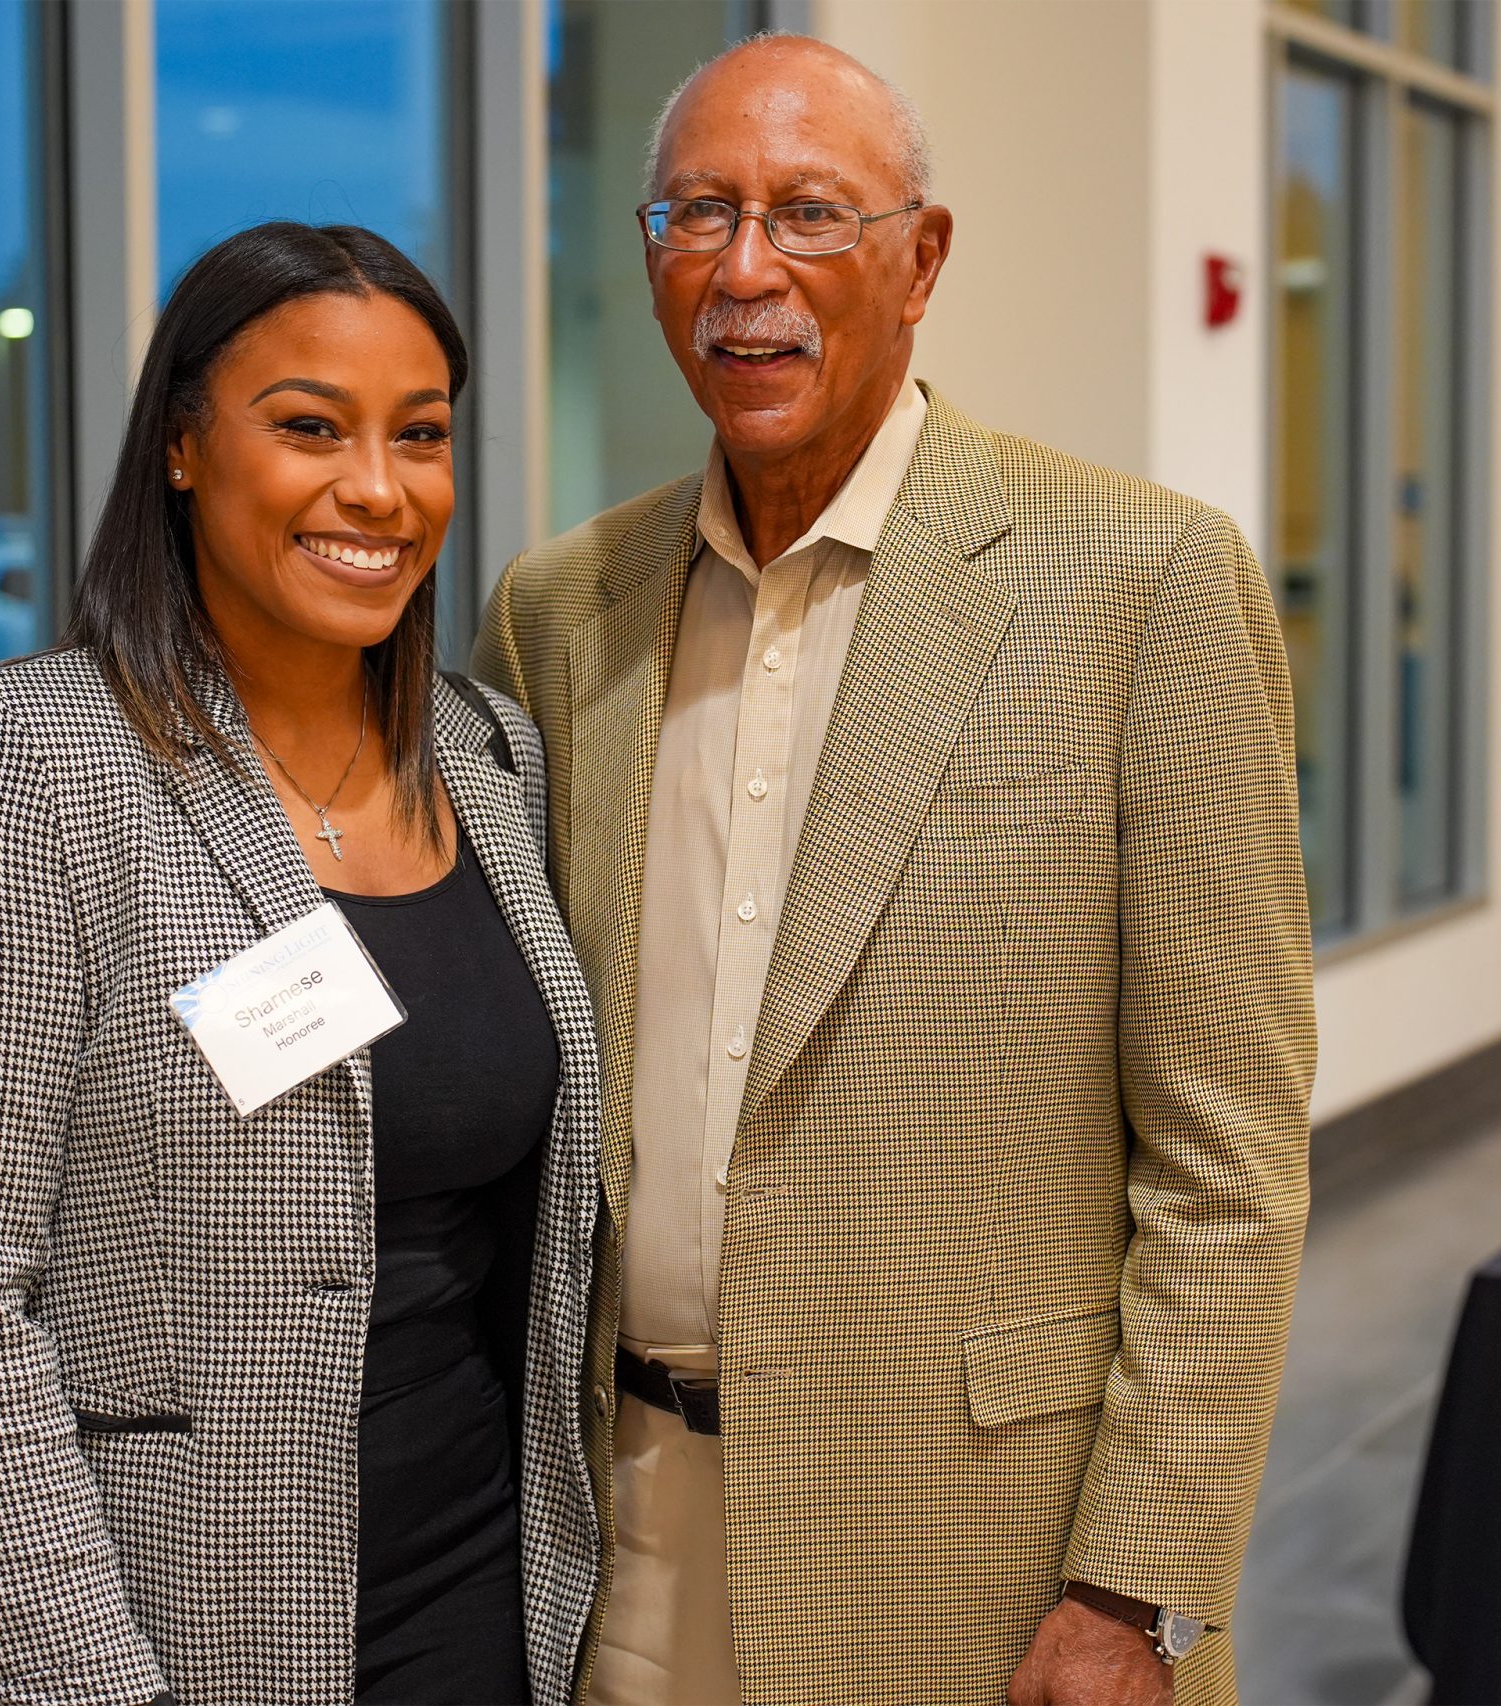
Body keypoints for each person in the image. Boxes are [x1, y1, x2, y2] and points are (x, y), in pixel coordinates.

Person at [473, 34, 1315, 1706]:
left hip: (987, 1560)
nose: (746, 270)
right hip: (616, 1538)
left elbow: (1231, 1144)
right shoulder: (559, 611)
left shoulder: (1142, 582)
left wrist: (1139, 1585)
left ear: (921, 259)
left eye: (809, 213)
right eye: (696, 214)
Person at [0, 223, 601, 1706]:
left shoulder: (491, 760)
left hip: (474, 1592)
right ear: (183, 447)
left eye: (421, 435)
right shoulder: (32, 769)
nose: (377, 487)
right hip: (141, 1616)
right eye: (309, 427)